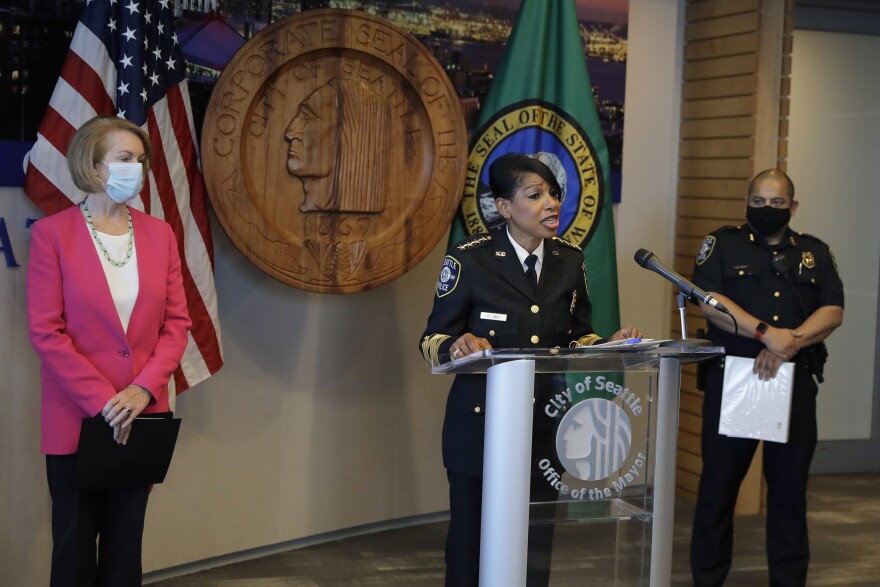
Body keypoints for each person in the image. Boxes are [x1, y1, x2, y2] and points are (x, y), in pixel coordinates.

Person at [419, 153, 640, 586]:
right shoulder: (471, 260)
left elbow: (577, 336)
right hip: (479, 430)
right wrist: (455, 346)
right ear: (504, 207)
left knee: (534, 548)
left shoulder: (570, 261)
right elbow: (430, 341)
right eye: (535, 195)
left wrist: (609, 343)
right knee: (469, 549)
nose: (551, 204)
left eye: (554, 194)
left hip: (544, 428)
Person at [26, 115, 191, 586]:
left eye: (140, 161)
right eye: (124, 159)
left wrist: (141, 390)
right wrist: (105, 402)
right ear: (94, 166)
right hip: (77, 421)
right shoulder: (52, 235)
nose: (135, 170)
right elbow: (46, 332)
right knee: (74, 555)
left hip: (141, 418)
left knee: (124, 558)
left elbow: (177, 324)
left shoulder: (160, 235)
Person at [689, 169, 844, 587]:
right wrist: (764, 333)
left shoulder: (815, 252)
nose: (767, 209)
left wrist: (787, 342)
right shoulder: (722, 244)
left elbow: (833, 311)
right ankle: (707, 579)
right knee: (718, 491)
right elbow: (710, 303)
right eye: (758, 201)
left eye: (777, 203)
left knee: (790, 495)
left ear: (792, 207)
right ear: (746, 202)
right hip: (734, 382)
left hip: (794, 383)